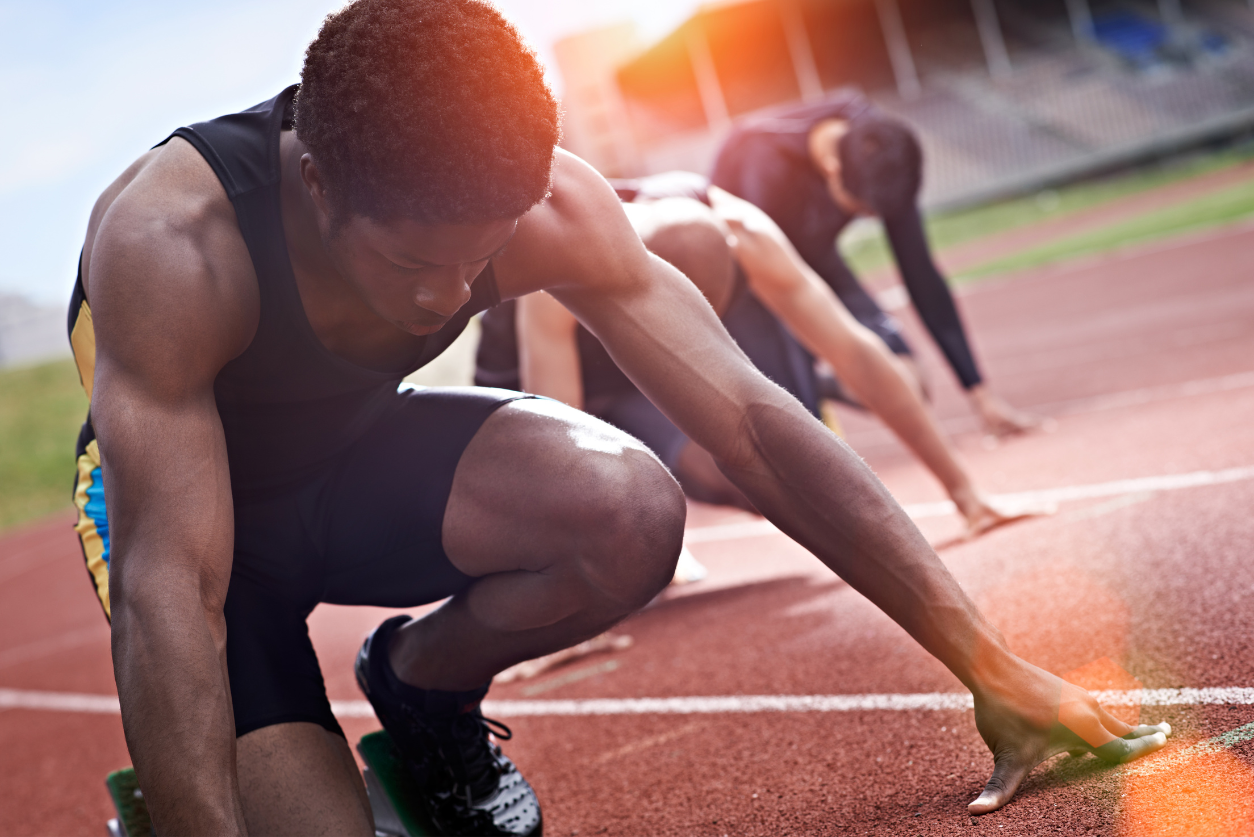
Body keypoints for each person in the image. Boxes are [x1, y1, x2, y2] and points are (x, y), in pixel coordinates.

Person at [67, 2, 1166, 835]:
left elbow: (752, 423)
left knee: (630, 503)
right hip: (189, 528)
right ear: (313, 181)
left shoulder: (549, 203)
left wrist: (990, 664)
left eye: (479, 258)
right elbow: (174, 588)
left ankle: (420, 694)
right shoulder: (178, 246)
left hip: (349, 461)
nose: (447, 298)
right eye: (409, 263)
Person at [475, 172, 1036, 538]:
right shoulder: (564, 264)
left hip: (652, 306)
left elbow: (852, 348)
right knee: (631, 496)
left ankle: (808, 393)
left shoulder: (745, 231)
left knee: (770, 464)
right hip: (560, 382)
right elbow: (560, 431)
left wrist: (966, 493)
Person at [710, 90, 1042, 437]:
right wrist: (804, 364)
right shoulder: (762, 163)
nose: (868, 219)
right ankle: (798, 383)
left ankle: (826, 383)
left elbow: (921, 275)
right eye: (862, 212)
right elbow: (767, 280)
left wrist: (980, 395)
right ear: (831, 169)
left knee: (905, 386)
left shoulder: (882, 149)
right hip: (750, 280)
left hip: (818, 259)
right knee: (793, 415)